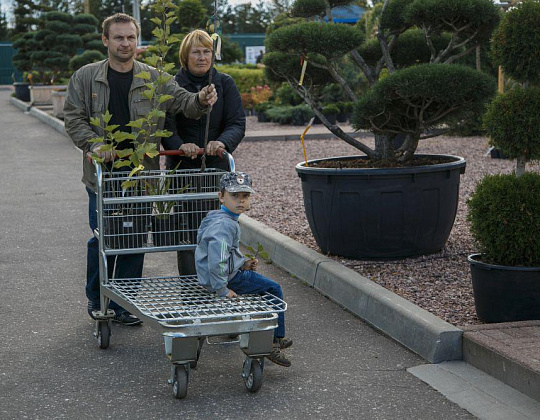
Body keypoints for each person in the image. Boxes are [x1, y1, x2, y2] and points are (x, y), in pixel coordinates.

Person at [63, 13, 217, 325]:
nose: (125, 43)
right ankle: (98, 298)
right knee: (103, 236)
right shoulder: (86, 77)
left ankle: (125, 303)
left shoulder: (154, 77)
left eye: (131, 37)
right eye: (118, 37)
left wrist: (201, 99)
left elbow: (184, 103)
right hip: (102, 175)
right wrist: (94, 144)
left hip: (141, 174)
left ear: (138, 40)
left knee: (134, 239)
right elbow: (73, 117)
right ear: (105, 40)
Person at [162, 29, 245, 276]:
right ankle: (190, 288)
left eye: (206, 51)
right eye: (195, 52)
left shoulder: (226, 83)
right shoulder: (171, 84)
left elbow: (237, 123)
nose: (202, 57)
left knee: (219, 230)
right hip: (183, 169)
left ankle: (218, 283)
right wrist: (179, 145)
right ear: (185, 57)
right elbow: (165, 125)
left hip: (216, 170)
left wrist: (222, 142)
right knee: (188, 234)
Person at [195, 172, 293, 367]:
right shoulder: (225, 225)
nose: (240, 201)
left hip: (220, 275)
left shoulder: (219, 218)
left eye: (245, 196)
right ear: (221, 196)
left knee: (263, 285)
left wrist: (243, 263)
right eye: (234, 196)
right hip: (226, 279)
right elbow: (218, 260)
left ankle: (273, 335)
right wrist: (222, 289)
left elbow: (226, 254)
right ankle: (273, 340)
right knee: (274, 289)